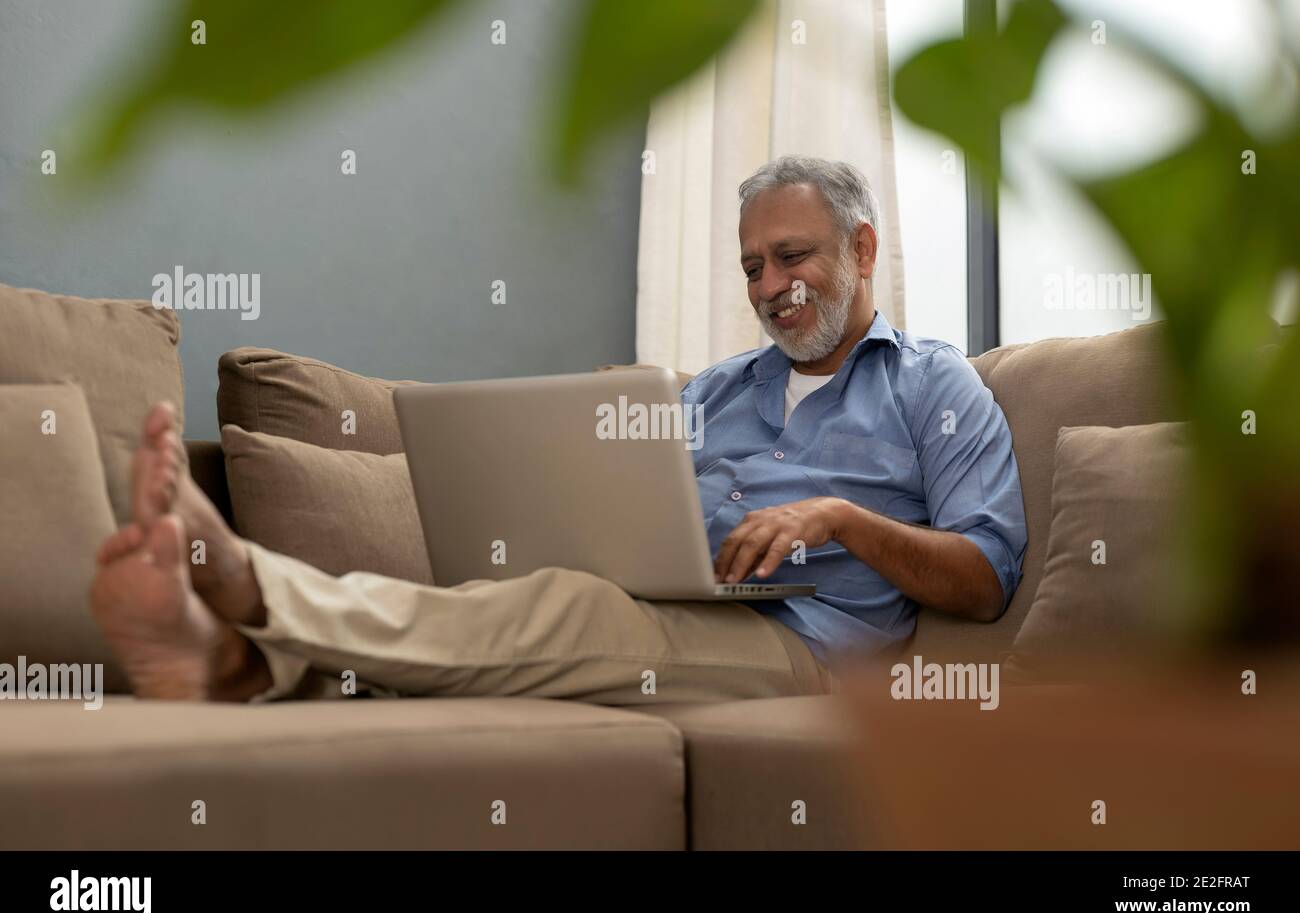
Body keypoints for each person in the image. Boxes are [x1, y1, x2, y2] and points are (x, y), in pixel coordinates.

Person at [90, 155, 1027, 704]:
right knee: (552, 597)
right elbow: (624, 500)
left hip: (810, 646)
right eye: (751, 267)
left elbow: (985, 581)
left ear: (862, 251)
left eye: (793, 258)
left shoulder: (929, 382)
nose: (769, 288)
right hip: (678, 607)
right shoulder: (717, 390)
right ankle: (247, 664)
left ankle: (254, 592)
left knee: (570, 614)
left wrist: (840, 518)